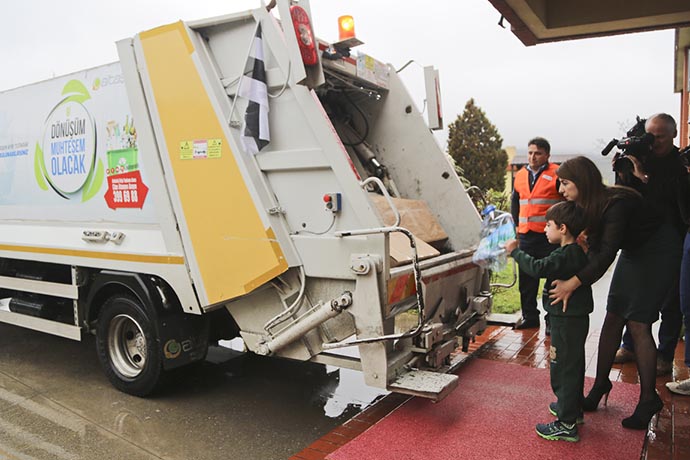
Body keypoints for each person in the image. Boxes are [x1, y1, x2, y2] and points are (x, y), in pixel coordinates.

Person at [549, 156, 681, 430]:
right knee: (613, 316)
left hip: (659, 251)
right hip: (634, 252)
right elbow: (597, 248)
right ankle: (600, 385)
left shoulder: (616, 203)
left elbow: (607, 253)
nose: (561, 190)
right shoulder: (591, 205)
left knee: (638, 322)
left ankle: (648, 400)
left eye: (565, 183)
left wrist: (573, 283)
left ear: (582, 181)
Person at [505, 201, 591, 442]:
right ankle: (572, 409)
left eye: (549, 225)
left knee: (562, 367)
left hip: (567, 321)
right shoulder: (573, 252)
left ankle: (565, 422)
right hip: (572, 319)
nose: (544, 229)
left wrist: (515, 252)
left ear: (562, 228)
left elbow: (537, 268)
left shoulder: (566, 254)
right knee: (571, 364)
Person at [612, 114, 686, 376]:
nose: (653, 142)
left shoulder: (680, 163)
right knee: (634, 296)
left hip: (671, 242)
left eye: (660, 137)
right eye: (649, 136)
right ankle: (629, 346)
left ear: (674, 133)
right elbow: (624, 199)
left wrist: (643, 176)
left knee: (669, 302)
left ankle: (665, 356)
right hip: (640, 239)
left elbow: (668, 200)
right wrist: (623, 174)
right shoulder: (640, 157)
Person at [510, 137, 562, 333]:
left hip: (550, 237)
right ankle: (530, 317)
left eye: (538, 153)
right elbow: (516, 201)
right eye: (530, 152)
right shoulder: (521, 174)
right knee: (527, 281)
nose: (533, 157)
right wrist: (515, 225)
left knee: (552, 279)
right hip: (526, 236)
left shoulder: (557, 173)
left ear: (547, 155)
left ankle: (551, 320)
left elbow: (567, 202)